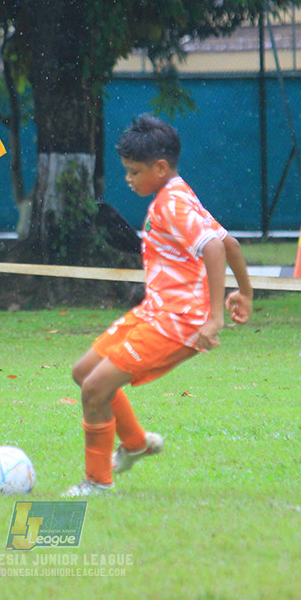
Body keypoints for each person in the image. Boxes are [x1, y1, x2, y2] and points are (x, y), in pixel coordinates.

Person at [62, 113, 254, 497]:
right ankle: (136, 443)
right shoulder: (179, 192)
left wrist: (215, 318)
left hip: (177, 322)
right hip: (153, 311)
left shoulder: (172, 204)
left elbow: (215, 248)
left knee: (94, 390)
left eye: (134, 172)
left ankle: (97, 482)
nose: (128, 180)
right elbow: (229, 242)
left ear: (160, 167)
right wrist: (246, 293)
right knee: (84, 372)